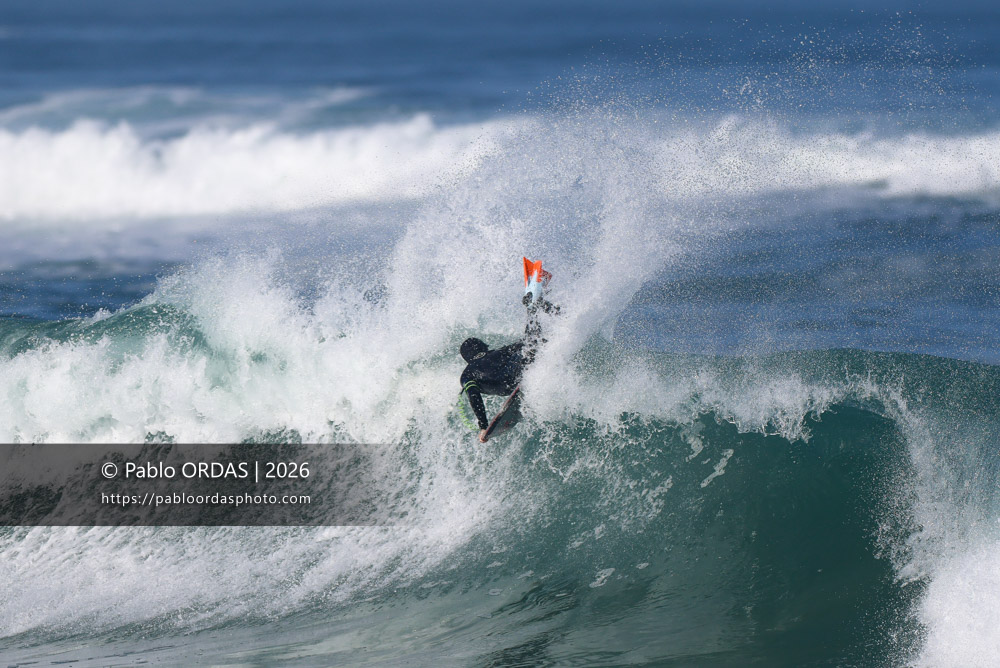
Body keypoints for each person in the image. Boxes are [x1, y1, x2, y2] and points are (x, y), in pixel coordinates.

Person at [459, 297, 558, 442]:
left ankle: (533, 310)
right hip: (518, 366)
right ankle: (533, 309)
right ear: (483, 348)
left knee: (527, 348)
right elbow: (520, 344)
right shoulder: (498, 352)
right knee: (529, 343)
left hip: (509, 380)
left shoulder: (467, 374)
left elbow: (474, 395)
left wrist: (483, 425)